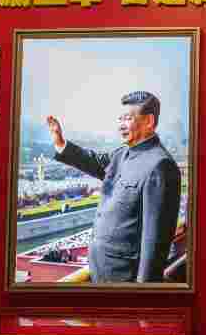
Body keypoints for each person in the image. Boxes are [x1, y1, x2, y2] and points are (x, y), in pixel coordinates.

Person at [46, 91, 182, 283]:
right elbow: (95, 162)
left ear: (149, 121)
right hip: (100, 271)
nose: (121, 125)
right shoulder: (122, 154)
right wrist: (61, 144)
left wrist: (143, 291)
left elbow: (155, 242)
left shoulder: (160, 166)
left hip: (124, 278)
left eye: (127, 118)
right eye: (120, 119)